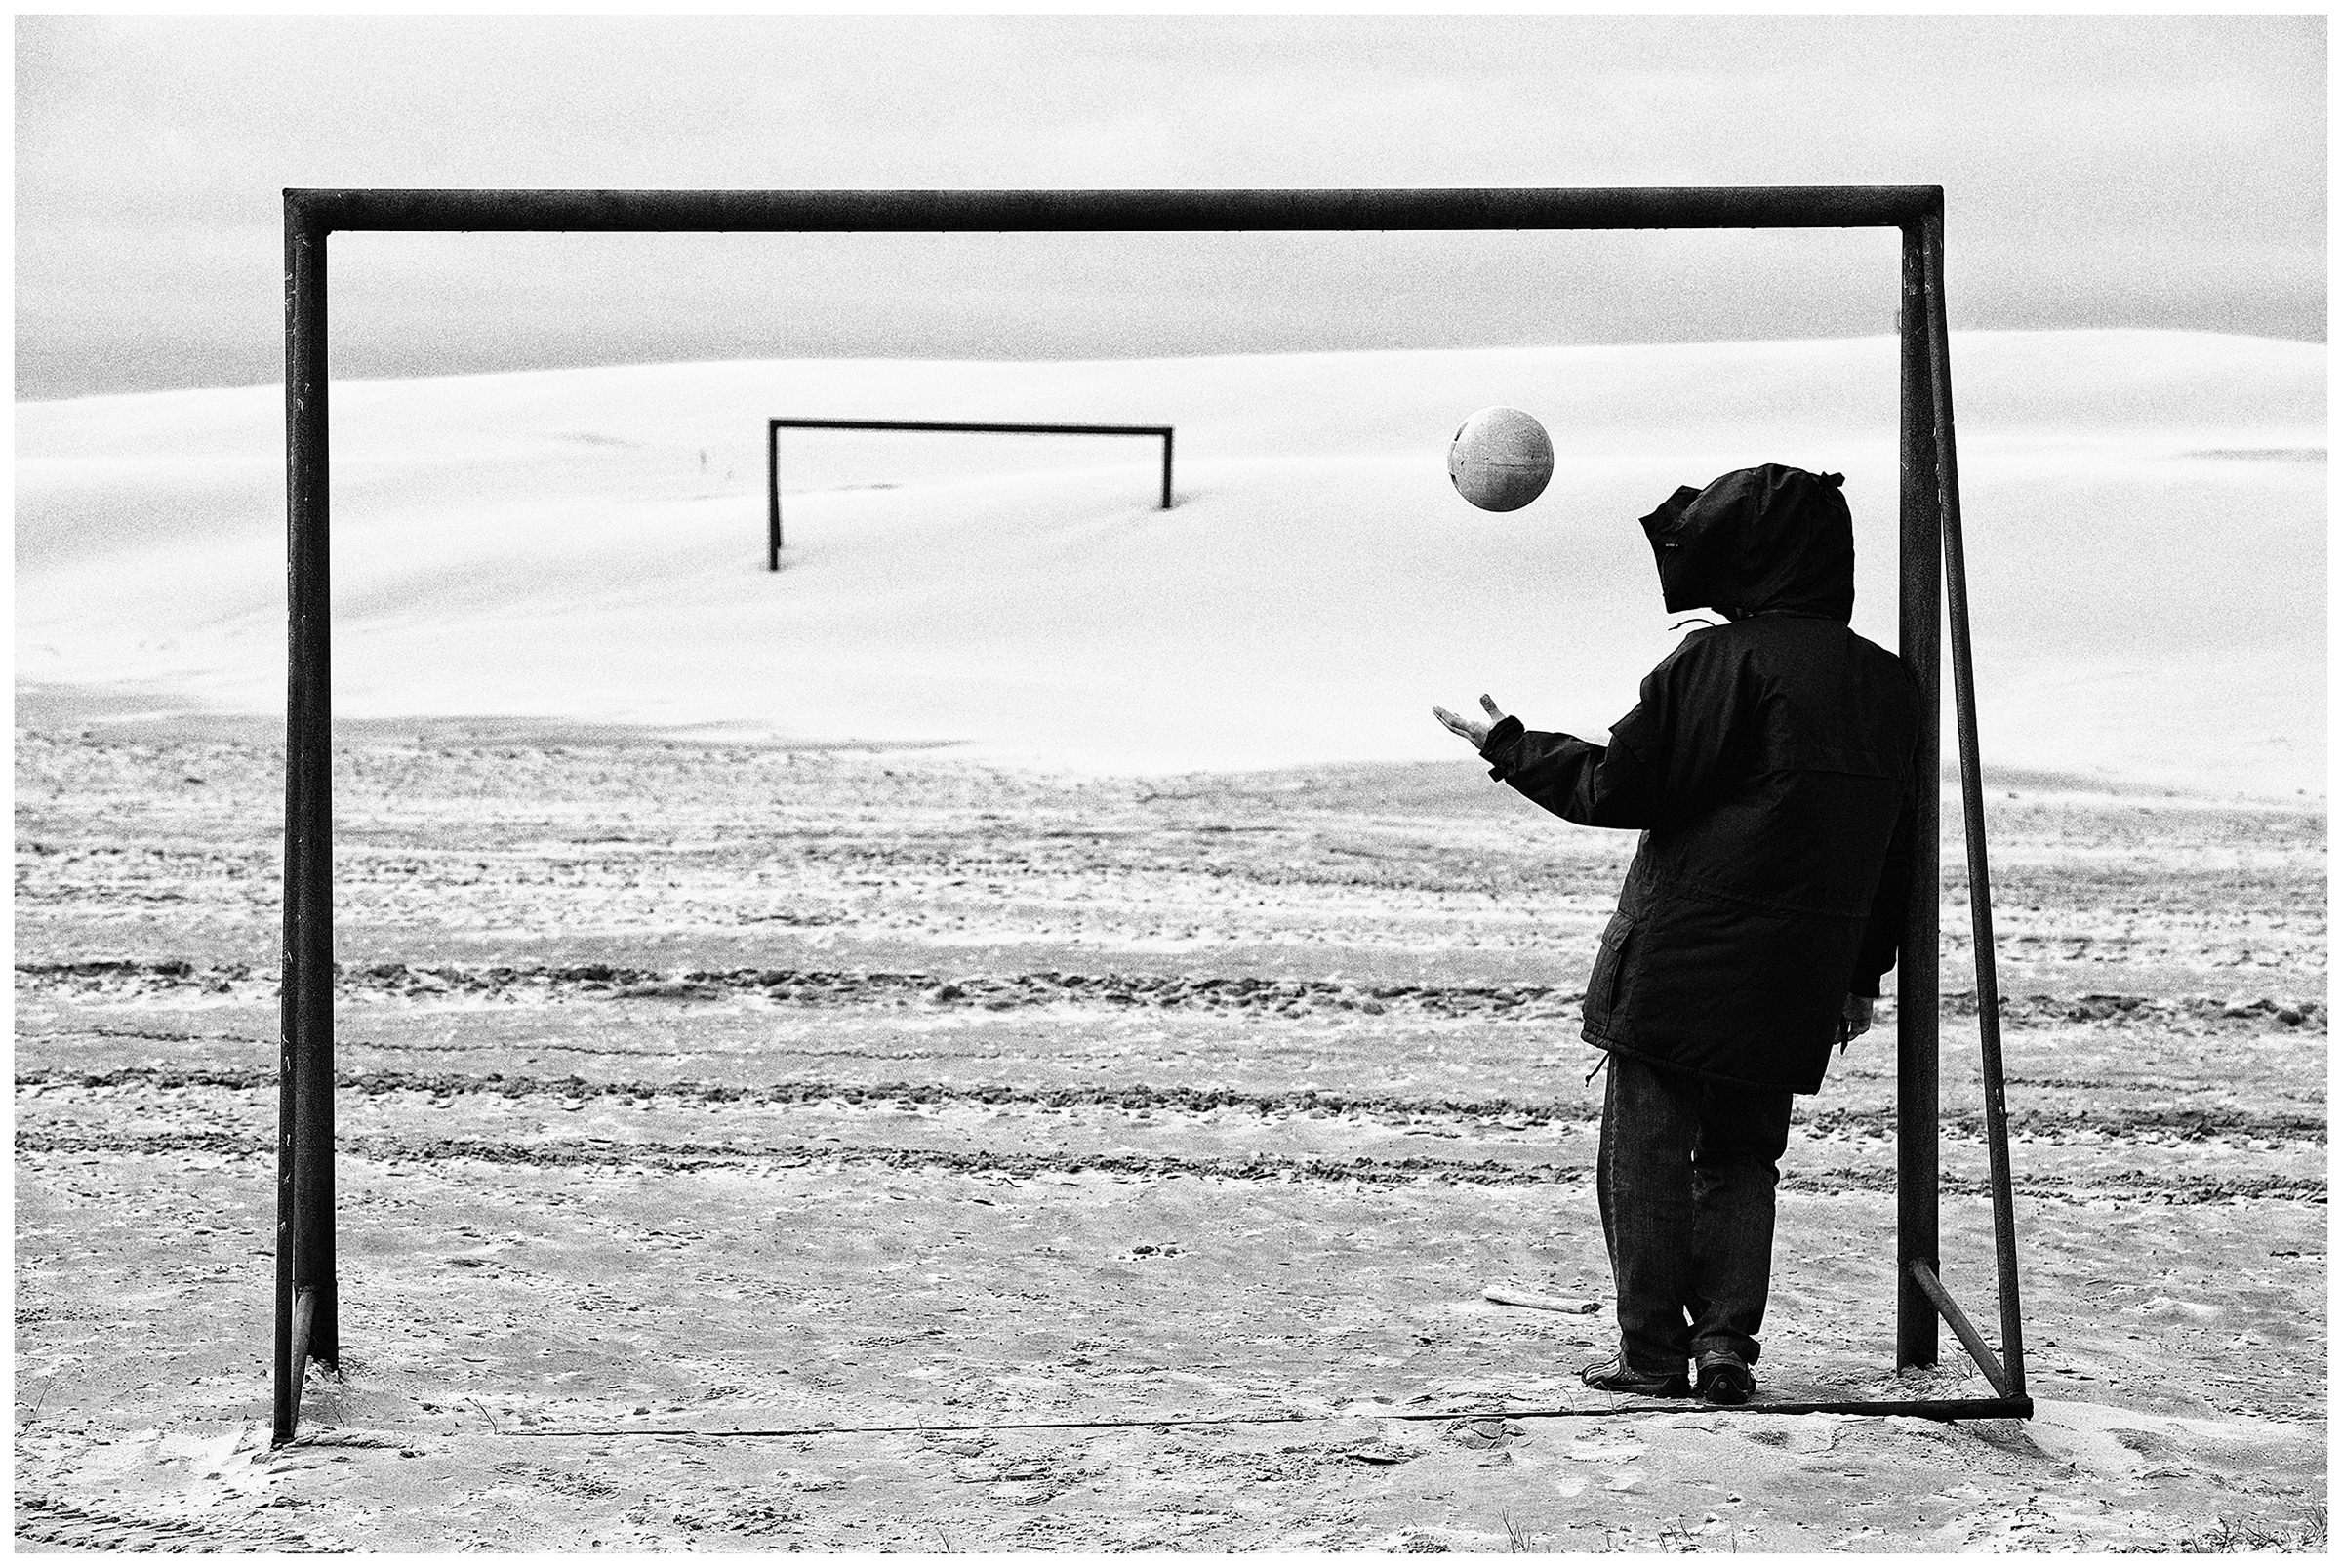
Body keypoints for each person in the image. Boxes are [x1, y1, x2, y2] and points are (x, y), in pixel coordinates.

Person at [1433, 462, 1919, 1406]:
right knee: (1744, 1159)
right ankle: (1726, 1346)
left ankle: (1652, 1355)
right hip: (1799, 971)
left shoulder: (1716, 663)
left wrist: (1512, 747)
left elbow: (1618, 787)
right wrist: (1861, 973)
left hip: (1682, 961)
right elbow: (1892, 848)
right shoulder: (1887, 683)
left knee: (1646, 1159)